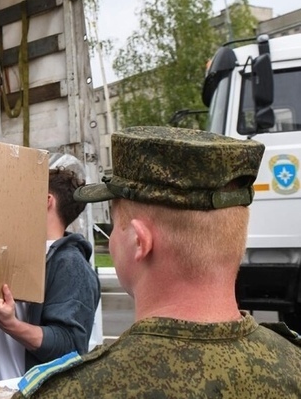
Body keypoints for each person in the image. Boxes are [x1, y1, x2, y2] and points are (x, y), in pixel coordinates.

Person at [15, 126, 301, 398]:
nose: (112, 240)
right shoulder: (294, 366)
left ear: (140, 242)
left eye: (116, 226)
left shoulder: (73, 391)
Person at [0, 156, 100, 383]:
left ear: (46, 200)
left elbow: (69, 345)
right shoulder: (17, 251)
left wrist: (10, 324)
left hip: (17, 393)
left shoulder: (71, 265)